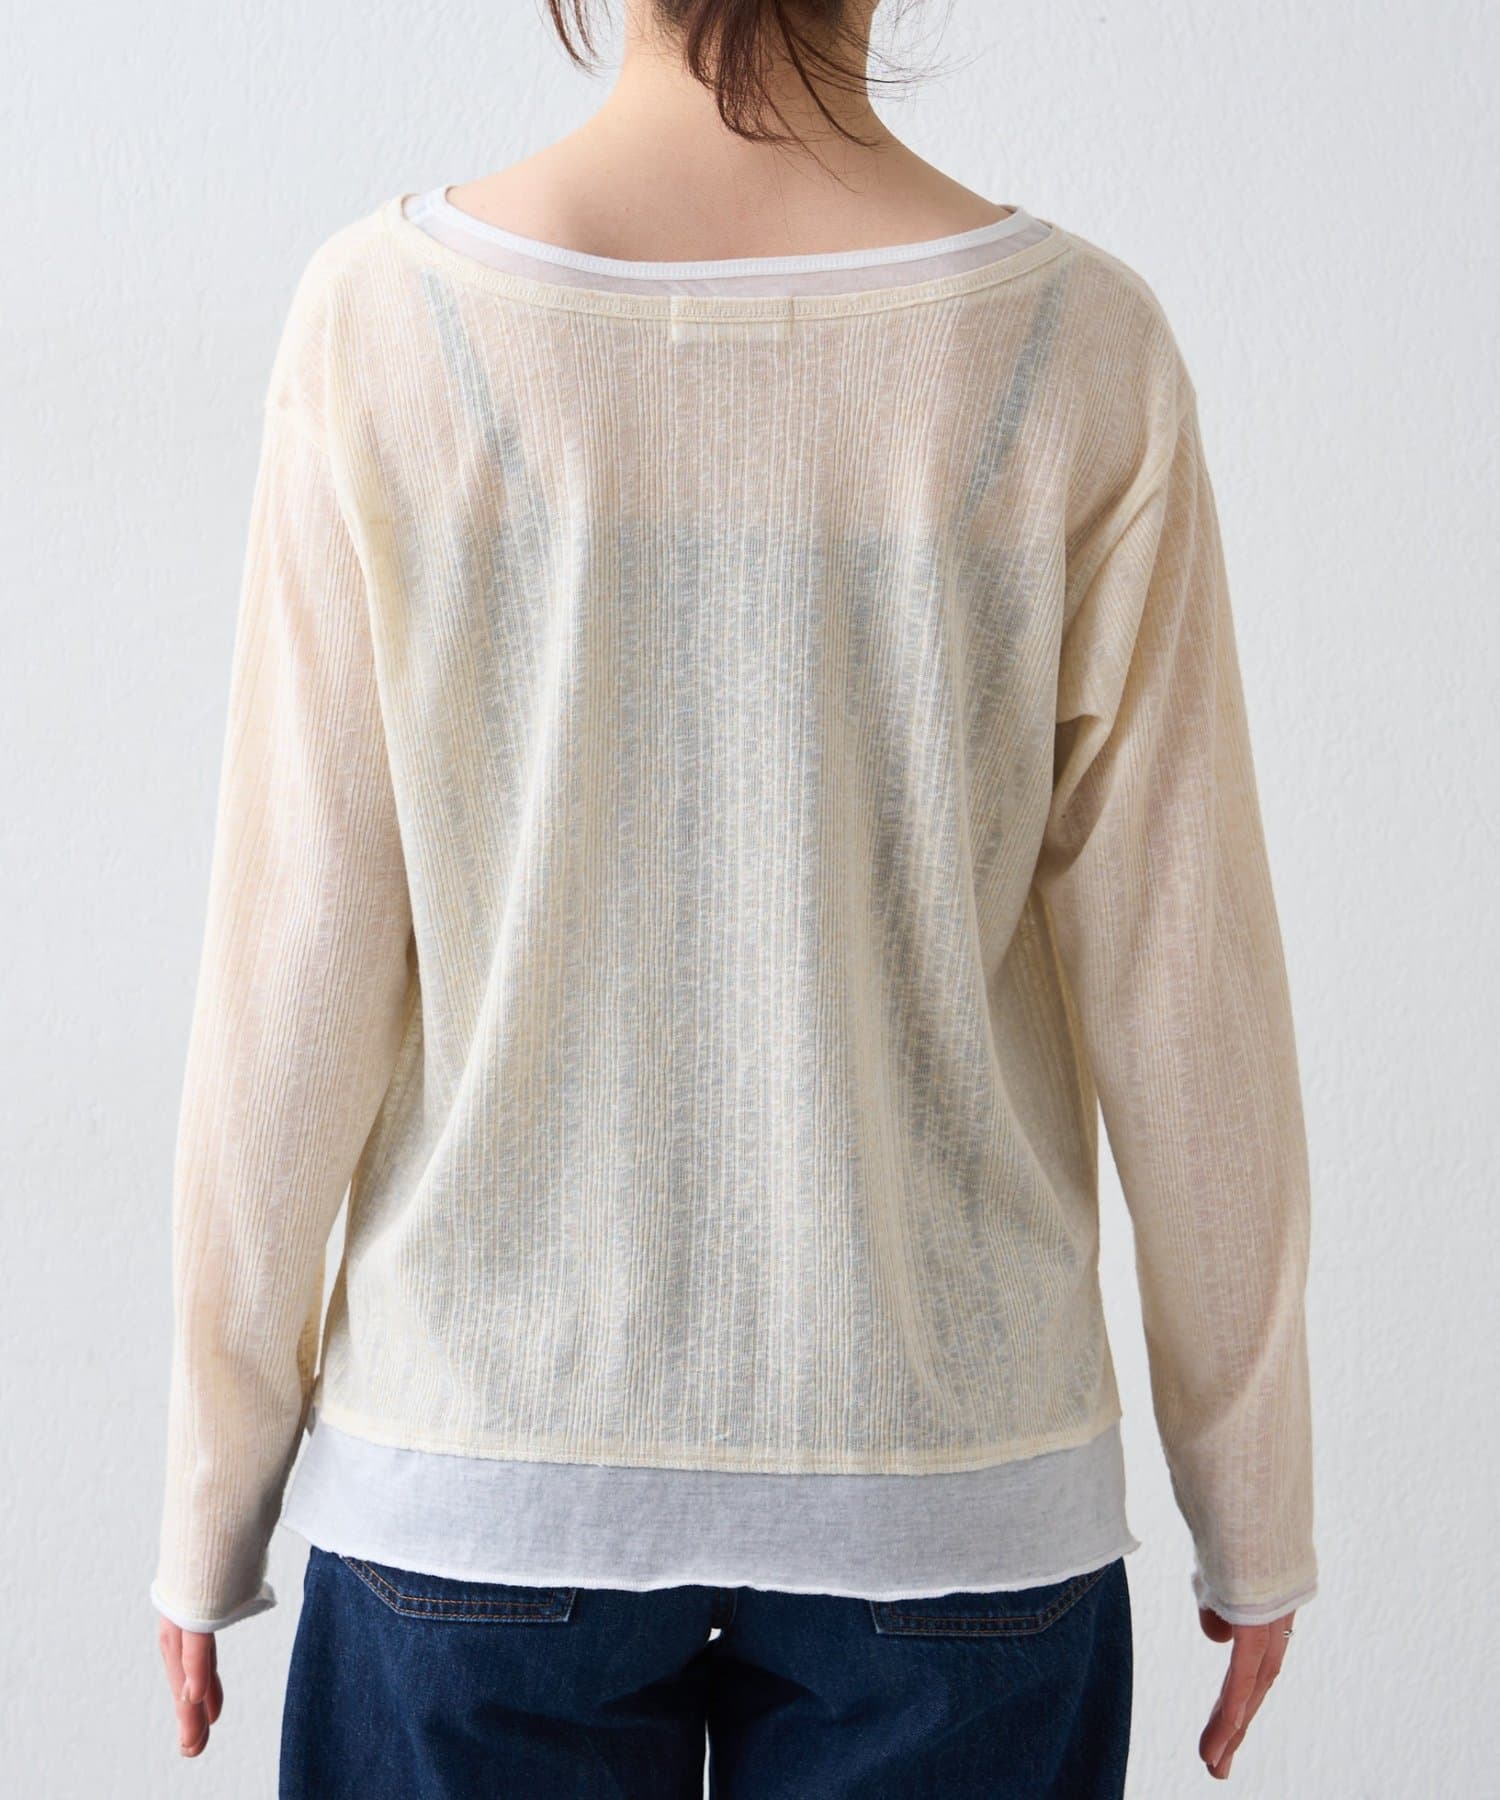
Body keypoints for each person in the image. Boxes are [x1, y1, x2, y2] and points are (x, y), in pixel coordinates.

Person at [151, 1, 1317, 1791]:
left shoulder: (388, 320)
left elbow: (291, 966)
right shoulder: (1077, 346)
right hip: (953, 1487)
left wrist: (208, 1498)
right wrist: (1255, 1509)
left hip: (481, 1473)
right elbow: (1188, 983)